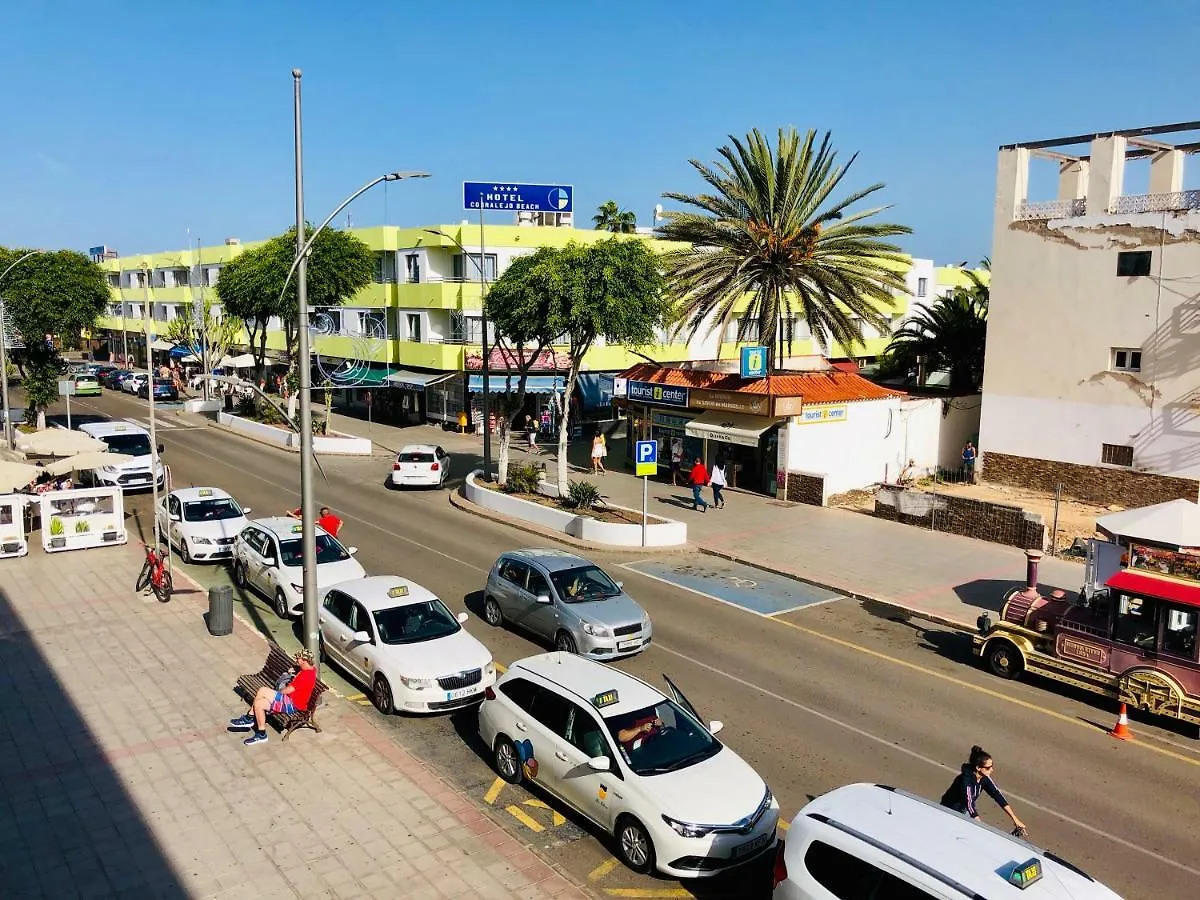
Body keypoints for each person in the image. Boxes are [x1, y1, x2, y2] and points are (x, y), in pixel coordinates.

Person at [229, 648, 317, 746]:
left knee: (261, 699)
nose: (296, 660)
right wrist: (295, 669)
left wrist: (275, 695)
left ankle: (254, 726)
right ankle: (254, 724)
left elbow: (288, 690)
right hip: (292, 699)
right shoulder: (310, 669)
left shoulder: (305, 676)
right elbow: (301, 678)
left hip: (292, 704)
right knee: (261, 696)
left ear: (304, 661)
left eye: (298, 659)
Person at [940, 745, 1026, 834]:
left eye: (992, 766)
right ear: (978, 768)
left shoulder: (984, 778)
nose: (992, 770)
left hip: (965, 809)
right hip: (950, 810)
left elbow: (997, 795)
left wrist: (1015, 819)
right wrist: (979, 826)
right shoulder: (966, 780)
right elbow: (969, 802)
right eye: (988, 768)